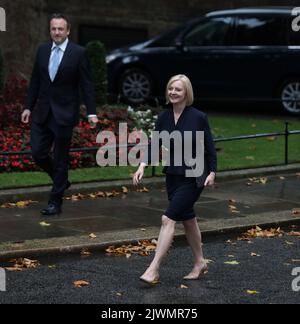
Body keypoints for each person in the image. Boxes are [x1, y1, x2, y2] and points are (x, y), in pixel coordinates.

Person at [133, 75, 217, 284]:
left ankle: (153, 269)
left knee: (168, 218)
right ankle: (200, 262)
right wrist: (142, 165)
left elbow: (209, 147)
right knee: (187, 219)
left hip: (194, 175)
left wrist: (213, 172)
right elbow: (155, 143)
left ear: (186, 93)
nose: (173, 92)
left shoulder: (198, 117)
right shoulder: (164, 117)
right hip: (173, 175)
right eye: (170, 88)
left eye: (178, 89)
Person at [21, 13, 99, 216]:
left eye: (60, 29)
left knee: (61, 158)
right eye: (53, 29)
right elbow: (35, 81)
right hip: (42, 112)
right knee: (38, 153)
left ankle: (55, 201)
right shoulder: (42, 50)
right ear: (50, 30)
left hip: (64, 113)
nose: (56, 32)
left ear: (68, 31)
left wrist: (91, 112)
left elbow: (86, 85)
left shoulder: (78, 53)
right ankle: (61, 180)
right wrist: (28, 107)